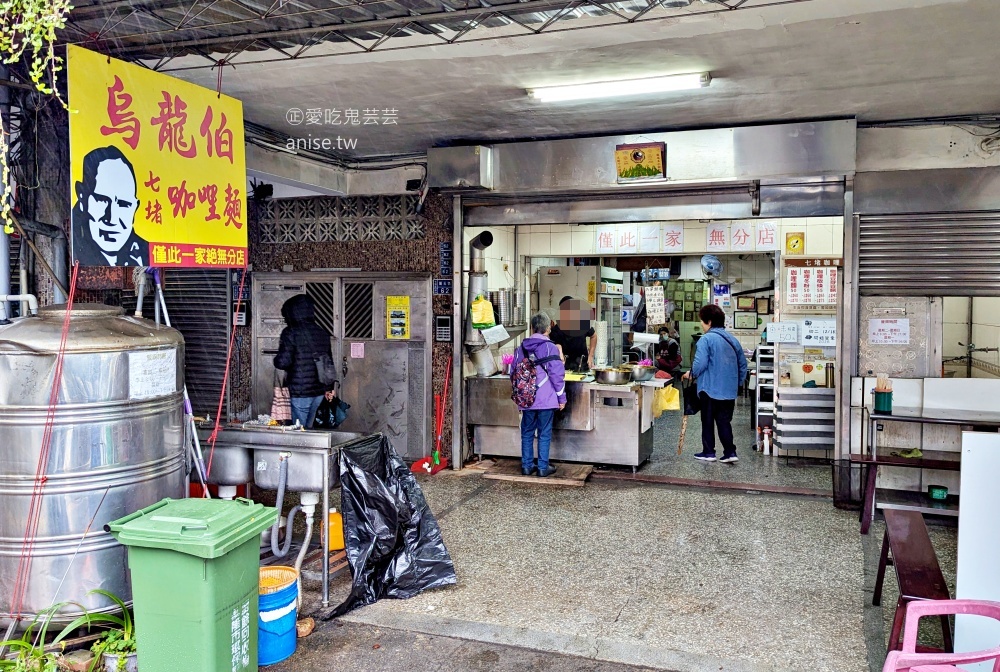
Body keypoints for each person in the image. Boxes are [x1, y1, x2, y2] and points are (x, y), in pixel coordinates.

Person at [683, 304, 748, 464]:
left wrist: (691, 374)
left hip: (709, 389)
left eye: (702, 321)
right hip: (729, 390)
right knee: (724, 421)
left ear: (709, 322)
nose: (701, 324)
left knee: (707, 421)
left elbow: (700, 363)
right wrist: (736, 384)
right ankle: (730, 452)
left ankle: (709, 452)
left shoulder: (706, 339)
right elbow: (743, 366)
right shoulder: (733, 340)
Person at [71, 145, 148, 266]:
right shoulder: (70, 248)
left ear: (135, 207)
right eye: (102, 200)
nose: (112, 219)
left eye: (124, 204)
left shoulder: (145, 253)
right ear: (82, 196)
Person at [512, 311, 567, 478]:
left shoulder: (521, 348)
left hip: (526, 399)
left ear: (532, 328)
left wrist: (521, 394)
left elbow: (513, 373)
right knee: (544, 433)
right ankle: (543, 467)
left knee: (527, 432)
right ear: (548, 328)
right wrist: (562, 398)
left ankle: (527, 466)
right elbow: (557, 375)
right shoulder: (550, 347)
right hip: (546, 398)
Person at [273, 294, 334, 429]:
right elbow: (328, 362)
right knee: (309, 428)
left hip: (300, 391)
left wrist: (276, 359)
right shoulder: (321, 332)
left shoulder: (290, 332)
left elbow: (282, 362)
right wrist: (329, 388)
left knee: (298, 430)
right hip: (319, 391)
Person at [549, 296, 598, 372]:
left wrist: (591, 356)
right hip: (564, 368)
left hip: (582, 366)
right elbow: (554, 345)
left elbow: (594, 336)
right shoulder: (556, 329)